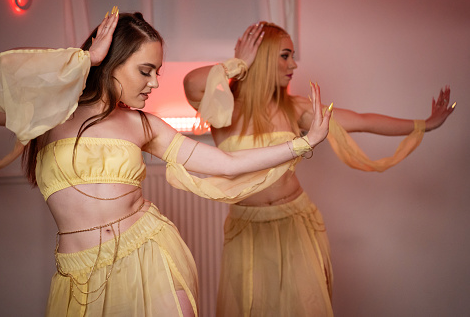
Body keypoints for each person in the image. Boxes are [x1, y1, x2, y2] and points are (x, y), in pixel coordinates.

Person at [0, 10, 332, 317]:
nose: (155, 83)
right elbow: (7, 75)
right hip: (79, 275)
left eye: (158, 71)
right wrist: (85, 60)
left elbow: (226, 162)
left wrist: (304, 143)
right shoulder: (48, 113)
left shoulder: (144, 124)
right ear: (110, 61)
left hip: (150, 254)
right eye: (146, 70)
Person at [183, 21, 455, 317]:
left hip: (296, 221)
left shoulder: (295, 108)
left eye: (293, 56)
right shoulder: (224, 106)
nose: (294, 64)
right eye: (285, 55)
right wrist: (238, 63)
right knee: (252, 307)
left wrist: (425, 124)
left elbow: (362, 120)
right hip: (247, 229)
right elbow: (191, 83)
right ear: (260, 57)